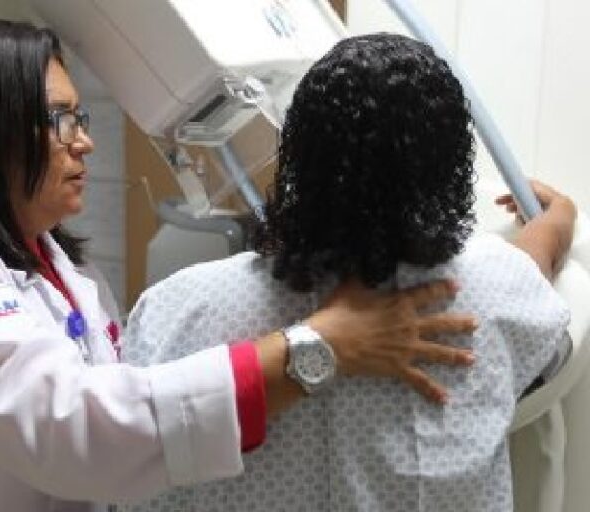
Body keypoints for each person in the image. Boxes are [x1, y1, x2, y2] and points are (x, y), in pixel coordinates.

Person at [0, 21, 478, 512]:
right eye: (61, 120)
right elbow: (77, 429)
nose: (84, 141)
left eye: (80, 118)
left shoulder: (71, 277)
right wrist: (318, 347)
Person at [120, 34, 576, 512]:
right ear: (451, 166)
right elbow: (537, 255)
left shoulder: (179, 307)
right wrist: (560, 215)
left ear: (298, 153)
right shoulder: (494, 288)